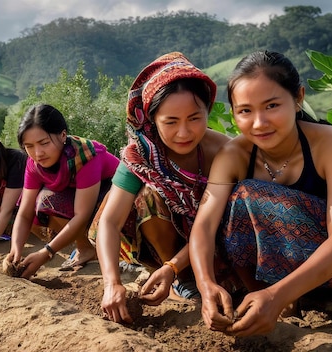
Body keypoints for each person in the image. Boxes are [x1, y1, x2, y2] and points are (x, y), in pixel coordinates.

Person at [189, 51, 332, 344]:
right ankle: (265, 293)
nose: (259, 123)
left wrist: (275, 296)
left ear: (298, 98)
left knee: (258, 195)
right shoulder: (234, 154)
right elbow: (205, 225)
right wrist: (205, 283)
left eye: (272, 105)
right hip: (294, 259)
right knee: (232, 203)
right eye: (245, 111)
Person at [93, 52, 231, 324]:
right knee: (148, 196)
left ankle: (191, 275)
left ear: (208, 111)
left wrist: (173, 266)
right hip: (168, 240)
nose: (184, 133)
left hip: (217, 239)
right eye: (170, 122)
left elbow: (213, 224)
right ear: (152, 119)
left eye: (194, 118)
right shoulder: (142, 155)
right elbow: (110, 222)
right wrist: (112, 283)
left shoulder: (225, 151)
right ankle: (182, 280)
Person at [5, 104, 120, 278]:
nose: (38, 153)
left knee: (52, 201)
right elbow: (25, 212)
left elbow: (81, 215)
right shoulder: (34, 164)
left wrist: (46, 253)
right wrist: (15, 249)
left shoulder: (85, 156)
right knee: (44, 202)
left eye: (44, 143)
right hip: (82, 200)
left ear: (63, 135)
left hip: (112, 197)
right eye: (29, 146)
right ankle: (86, 249)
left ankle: (106, 249)